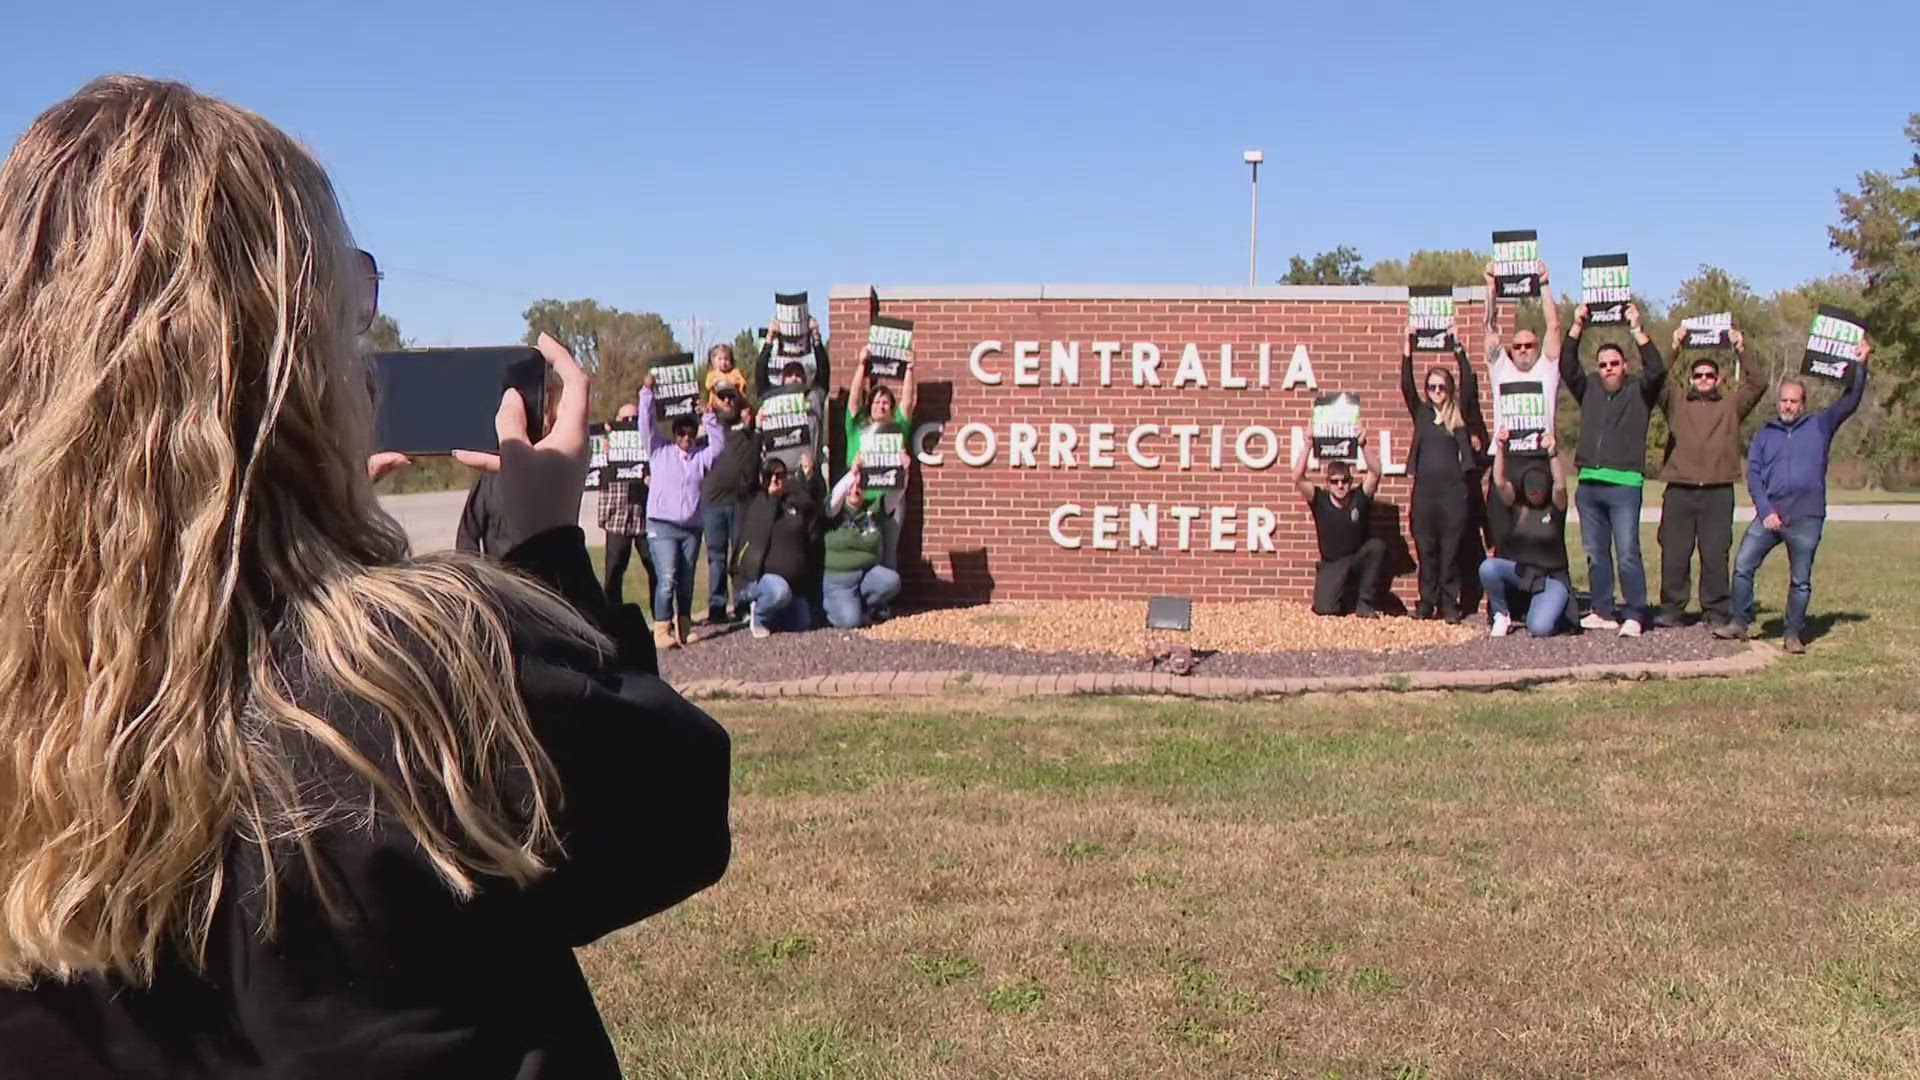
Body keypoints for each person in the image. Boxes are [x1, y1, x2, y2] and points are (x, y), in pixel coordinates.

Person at [0, 76, 729, 1078]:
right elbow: (673, 816)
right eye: (350, 319)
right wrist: (545, 547)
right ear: (293, 363)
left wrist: (330, 540)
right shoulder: (426, 674)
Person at [1720, 347, 1871, 653]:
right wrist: (1765, 511)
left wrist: (1861, 362)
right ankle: (1738, 622)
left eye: (1794, 401)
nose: (1788, 406)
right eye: (1784, 401)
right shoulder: (1764, 434)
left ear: (1803, 404)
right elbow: (1754, 476)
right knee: (1743, 565)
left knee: (1800, 580)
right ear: (1778, 403)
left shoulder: (1820, 425)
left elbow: (1851, 400)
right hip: (1771, 515)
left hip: (1807, 517)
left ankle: (1792, 634)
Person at [1559, 301, 1667, 637]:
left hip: (1624, 485)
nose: (1608, 369)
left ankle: (1634, 613)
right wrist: (1578, 325)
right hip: (1589, 483)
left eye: (1614, 363)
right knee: (1594, 552)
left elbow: (1657, 369)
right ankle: (1604, 610)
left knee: (1628, 553)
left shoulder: (1640, 390)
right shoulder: (1589, 387)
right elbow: (1566, 365)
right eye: (1603, 364)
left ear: (1624, 365)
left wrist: (1636, 328)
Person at [1654, 326, 1770, 628]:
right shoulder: (1676, 402)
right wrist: (1675, 346)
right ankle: (1672, 609)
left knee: (1715, 554)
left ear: (1718, 378)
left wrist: (1740, 348)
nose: (1703, 379)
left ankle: (1716, 611)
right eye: (1698, 375)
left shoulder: (1731, 404)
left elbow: (1758, 383)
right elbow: (1654, 380)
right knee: (1675, 553)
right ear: (1690, 379)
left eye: (1709, 375)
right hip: (1680, 489)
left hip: (1718, 491)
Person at [1398, 329, 1481, 622]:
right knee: (1426, 550)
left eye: (1441, 387)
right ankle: (1426, 602)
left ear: (1449, 389)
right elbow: (1405, 386)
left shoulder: (1457, 416)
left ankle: (1449, 604)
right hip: (1424, 494)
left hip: (1453, 495)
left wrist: (1458, 346)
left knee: (1450, 550)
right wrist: (1408, 348)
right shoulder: (1421, 414)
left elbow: (1470, 383)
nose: (1436, 392)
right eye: (1431, 387)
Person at [639, 373, 727, 649]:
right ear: (674, 434)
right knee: (667, 577)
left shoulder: (701, 458)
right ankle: (662, 628)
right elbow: (646, 423)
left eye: (690, 434)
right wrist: (647, 392)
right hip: (661, 525)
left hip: (691, 527)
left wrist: (709, 416)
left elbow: (719, 446)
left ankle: (684, 627)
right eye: (681, 433)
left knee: (686, 581)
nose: (686, 438)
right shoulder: (658, 450)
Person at [1482, 259, 1562, 550]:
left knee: (1540, 537)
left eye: (1529, 345)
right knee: (1503, 535)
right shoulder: (1501, 369)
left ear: (1537, 348)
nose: (1524, 350)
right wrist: (1491, 288)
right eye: (1518, 346)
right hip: (1507, 459)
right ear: (1511, 350)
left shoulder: (1547, 371)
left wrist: (1543, 284)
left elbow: (1554, 326)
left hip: (1539, 458)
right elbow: (1489, 327)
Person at [1479, 430, 1573, 637]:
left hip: (1550, 579)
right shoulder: (1518, 506)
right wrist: (1501, 449)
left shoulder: (1556, 507)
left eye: (1540, 489)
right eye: (1531, 489)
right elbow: (1500, 482)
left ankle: (1547, 608)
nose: (1535, 493)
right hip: (1520, 573)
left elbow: (1560, 485)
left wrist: (1553, 454)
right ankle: (1501, 615)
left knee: (1539, 627)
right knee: (1488, 568)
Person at [1290, 437, 1385, 617]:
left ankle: (1365, 604)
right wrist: (1308, 445)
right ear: (1328, 483)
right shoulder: (1320, 499)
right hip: (1332, 563)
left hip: (1357, 559)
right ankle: (1342, 598)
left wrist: (1363, 445)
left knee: (1376, 546)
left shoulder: (1359, 497)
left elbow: (1376, 472)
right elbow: (1297, 477)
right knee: (1325, 610)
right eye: (1335, 481)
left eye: (1345, 481)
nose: (1340, 485)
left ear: (1350, 481)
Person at [846, 346, 919, 577]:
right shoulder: (858, 427)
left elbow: (908, 403)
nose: (881, 406)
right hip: (861, 499)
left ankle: (883, 603)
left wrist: (909, 369)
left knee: (888, 553)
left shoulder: (898, 427)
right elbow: (853, 400)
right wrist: (861, 366)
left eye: (886, 402)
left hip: (890, 499)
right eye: (877, 402)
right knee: (861, 553)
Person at [735, 453, 824, 637]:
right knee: (778, 593)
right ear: (763, 478)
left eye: (781, 475)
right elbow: (746, 474)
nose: (776, 479)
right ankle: (757, 612)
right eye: (771, 475)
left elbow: (814, 500)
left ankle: (774, 613)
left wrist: (809, 475)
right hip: (763, 579)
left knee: (802, 623)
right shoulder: (755, 501)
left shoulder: (794, 502)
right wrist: (758, 435)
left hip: (794, 583)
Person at [822, 456, 906, 628]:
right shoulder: (833, 512)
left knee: (891, 581)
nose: (855, 490)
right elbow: (834, 499)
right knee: (850, 622)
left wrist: (904, 472)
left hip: (866, 575)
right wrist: (852, 474)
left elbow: (894, 496)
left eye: (860, 486)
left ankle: (860, 604)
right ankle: (829, 606)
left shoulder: (871, 510)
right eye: (851, 486)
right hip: (839, 581)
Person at [699, 387, 755, 624]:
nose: (727, 401)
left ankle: (742, 606)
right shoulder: (706, 427)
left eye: (731, 396)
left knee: (740, 557)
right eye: (722, 397)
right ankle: (717, 607)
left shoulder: (748, 424)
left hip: (741, 501)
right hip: (712, 501)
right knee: (716, 557)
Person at [597, 402, 656, 606]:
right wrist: (605, 453)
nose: (630, 423)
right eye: (626, 420)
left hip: (643, 517)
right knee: (613, 572)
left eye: (635, 419)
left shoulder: (648, 446)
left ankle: (661, 621)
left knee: (655, 567)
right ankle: (613, 622)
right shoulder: (605, 447)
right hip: (617, 518)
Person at [703, 342, 748, 407]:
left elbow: (743, 384)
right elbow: (708, 385)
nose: (723, 362)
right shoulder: (712, 374)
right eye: (720, 359)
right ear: (713, 361)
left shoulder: (735, 372)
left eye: (726, 359)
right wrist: (716, 381)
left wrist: (734, 382)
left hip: (734, 405)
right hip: (717, 406)